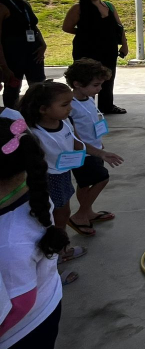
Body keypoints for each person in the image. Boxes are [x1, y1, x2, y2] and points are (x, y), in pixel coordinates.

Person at [0, 116, 70, 348]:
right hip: (47, 298)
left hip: (21, 330)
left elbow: (20, 303)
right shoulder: (32, 191)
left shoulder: (10, 242)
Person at [19, 83, 99, 266]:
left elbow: (77, 143)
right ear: (43, 109)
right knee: (52, 216)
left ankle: (60, 247)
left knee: (63, 212)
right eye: (64, 105)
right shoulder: (32, 133)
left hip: (62, 174)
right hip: (46, 179)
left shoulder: (65, 122)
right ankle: (55, 253)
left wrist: (101, 153)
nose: (70, 108)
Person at [63, 60, 125, 237]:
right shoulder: (70, 105)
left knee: (85, 183)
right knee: (101, 178)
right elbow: (73, 133)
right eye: (95, 85)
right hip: (83, 152)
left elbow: (91, 122)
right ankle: (80, 215)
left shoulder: (88, 98)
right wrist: (96, 150)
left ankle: (88, 211)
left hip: (94, 147)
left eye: (101, 84)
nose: (99, 89)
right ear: (77, 84)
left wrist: (99, 142)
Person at [62, 0, 128, 115]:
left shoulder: (109, 6)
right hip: (87, 48)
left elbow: (119, 27)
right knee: (87, 76)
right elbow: (67, 27)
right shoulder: (78, 8)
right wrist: (86, 33)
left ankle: (107, 105)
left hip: (108, 48)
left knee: (108, 76)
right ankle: (87, 106)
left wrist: (124, 45)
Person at [0, 0, 47, 109]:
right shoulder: (3, 6)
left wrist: (43, 44)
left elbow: (32, 26)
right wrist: (4, 66)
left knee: (39, 87)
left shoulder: (25, 5)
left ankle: (37, 117)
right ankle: (12, 120)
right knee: (13, 87)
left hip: (33, 53)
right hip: (13, 55)